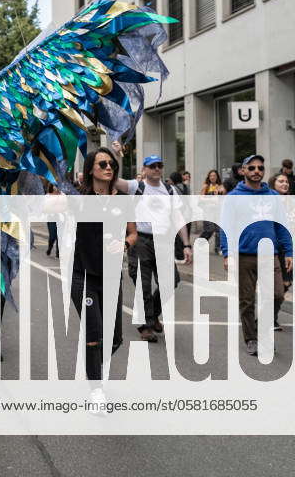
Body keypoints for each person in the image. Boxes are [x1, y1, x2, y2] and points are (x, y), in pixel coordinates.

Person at [73, 148, 136, 413]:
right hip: (82, 275)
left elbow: (133, 234)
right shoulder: (80, 199)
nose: (109, 168)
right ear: (90, 169)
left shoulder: (122, 200)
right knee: (94, 333)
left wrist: (123, 244)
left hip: (111, 277)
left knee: (115, 338)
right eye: (102, 164)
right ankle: (96, 389)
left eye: (111, 163)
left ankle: (92, 368)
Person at [110, 148, 193, 342]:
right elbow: (113, 179)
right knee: (143, 284)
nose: (156, 169)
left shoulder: (170, 190)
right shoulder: (135, 186)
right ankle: (146, 325)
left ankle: (153, 314)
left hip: (163, 240)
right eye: (152, 166)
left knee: (171, 281)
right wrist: (115, 156)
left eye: (159, 166)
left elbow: (178, 217)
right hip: (141, 240)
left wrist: (187, 245)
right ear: (144, 169)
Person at [222, 155, 292, 355]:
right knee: (247, 300)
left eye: (260, 168)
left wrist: (288, 251)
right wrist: (228, 254)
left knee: (277, 295)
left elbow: (282, 226)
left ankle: (260, 327)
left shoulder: (273, 197)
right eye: (251, 168)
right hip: (245, 255)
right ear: (243, 171)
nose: (256, 171)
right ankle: (251, 338)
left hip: (271, 255)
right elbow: (226, 227)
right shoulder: (233, 198)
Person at [268, 172, 295, 330]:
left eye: (286, 181)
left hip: (291, 247)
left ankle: (271, 317)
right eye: (281, 181)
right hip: (275, 249)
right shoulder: (269, 201)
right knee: (279, 285)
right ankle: (269, 318)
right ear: (273, 183)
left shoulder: (291, 201)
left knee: (287, 283)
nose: (285, 184)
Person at [45, 183, 60, 257]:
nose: (56, 187)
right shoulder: (48, 196)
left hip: (61, 218)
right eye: (55, 185)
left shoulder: (62, 195)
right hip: (51, 217)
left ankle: (58, 252)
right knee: (52, 235)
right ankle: (50, 248)